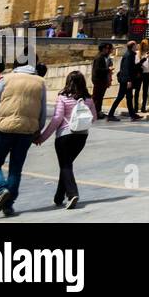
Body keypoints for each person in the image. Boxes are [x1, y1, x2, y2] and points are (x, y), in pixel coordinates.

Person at [0, 61, 48, 216]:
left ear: (17, 66)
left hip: (5, 128)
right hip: (27, 131)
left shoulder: (6, 79)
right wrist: (38, 131)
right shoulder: (40, 82)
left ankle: (0, 190)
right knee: (15, 168)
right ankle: (8, 205)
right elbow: (43, 110)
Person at [36, 70, 96, 208]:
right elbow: (93, 118)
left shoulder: (63, 97)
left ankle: (72, 194)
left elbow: (57, 119)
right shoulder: (88, 99)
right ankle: (58, 197)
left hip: (64, 136)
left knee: (65, 165)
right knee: (66, 165)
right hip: (81, 137)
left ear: (68, 82)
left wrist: (42, 137)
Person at [106, 40, 143, 122]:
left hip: (126, 79)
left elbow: (132, 68)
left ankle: (132, 115)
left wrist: (141, 62)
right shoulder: (129, 55)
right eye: (136, 45)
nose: (137, 46)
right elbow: (126, 69)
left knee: (129, 97)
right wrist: (129, 81)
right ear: (133, 46)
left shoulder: (131, 55)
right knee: (120, 97)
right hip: (125, 80)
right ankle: (110, 115)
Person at [91, 42, 113, 119]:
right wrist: (108, 69)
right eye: (106, 48)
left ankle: (98, 111)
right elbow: (97, 70)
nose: (108, 50)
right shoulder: (99, 57)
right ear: (103, 49)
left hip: (101, 80)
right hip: (98, 80)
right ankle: (94, 112)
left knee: (99, 97)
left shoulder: (102, 57)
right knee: (97, 97)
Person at [136, 39, 149, 112]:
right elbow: (138, 63)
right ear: (141, 45)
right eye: (144, 45)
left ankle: (143, 107)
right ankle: (136, 107)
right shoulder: (138, 53)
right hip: (140, 73)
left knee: (145, 90)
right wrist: (145, 57)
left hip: (147, 73)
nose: (145, 46)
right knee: (137, 90)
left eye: (146, 45)